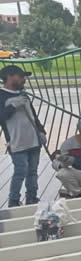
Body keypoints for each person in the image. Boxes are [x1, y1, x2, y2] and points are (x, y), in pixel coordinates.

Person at [0, 65, 46, 207]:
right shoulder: (1, 96)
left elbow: (33, 115)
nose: (23, 80)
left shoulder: (23, 95)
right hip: (16, 142)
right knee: (20, 171)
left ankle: (32, 197)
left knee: (32, 172)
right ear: (10, 77)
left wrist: (41, 131)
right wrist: (13, 106)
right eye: (20, 77)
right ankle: (13, 201)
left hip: (33, 140)